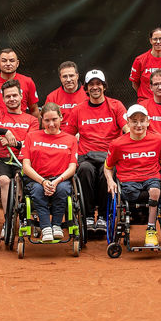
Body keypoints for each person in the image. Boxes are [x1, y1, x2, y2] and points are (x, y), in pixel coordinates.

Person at [64, 70, 128, 232]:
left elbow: (127, 129)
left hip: (110, 157)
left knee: (106, 172)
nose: (95, 87)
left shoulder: (116, 105)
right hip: (86, 156)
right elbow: (68, 137)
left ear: (104, 86)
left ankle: (103, 217)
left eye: (98, 84)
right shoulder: (78, 110)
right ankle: (87, 216)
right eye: (91, 84)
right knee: (85, 169)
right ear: (86, 88)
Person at [105, 104, 161, 248]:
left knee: (155, 191)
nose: (139, 125)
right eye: (134, 121)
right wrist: (110, 181)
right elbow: (108, 167)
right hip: (128, 181)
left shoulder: (158, 140)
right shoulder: (117, 144)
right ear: (128, 122)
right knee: (131, 194)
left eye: (142, 121)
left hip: (151, 177)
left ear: (148, 122)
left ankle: (151, 229)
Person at [0, 79, 39, 220]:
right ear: (3, 99)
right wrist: (5, 131)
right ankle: (9, 221)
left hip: (22, 160)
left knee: (19, 179)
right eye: (8, 96)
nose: (11, 99)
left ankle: (21, 216)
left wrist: (15, 144)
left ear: (21, 96)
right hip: (0, 160)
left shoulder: (32, 120)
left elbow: (32, 144)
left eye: (14, 95)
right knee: (4, 180)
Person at [21, 103, 78, 242]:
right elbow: (26, 166)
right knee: (38, 190)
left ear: (61, 118)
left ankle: (57, 225)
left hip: (60, 179)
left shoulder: (71, 139)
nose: (51, 124)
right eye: (47, 120)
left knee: (63, 189)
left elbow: (72, 167)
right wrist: (43, 181)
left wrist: (57, 181)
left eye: (54, 119)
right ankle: (46, 227)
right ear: (41, 120)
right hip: (36, 180)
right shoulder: (31, 136)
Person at [0, 48, 39, 146]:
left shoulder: (28, 82)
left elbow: (34, 110)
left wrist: (36, 136)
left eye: (12, 60)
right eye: (4, 61)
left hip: (21, 131)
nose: (8, 64)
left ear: (17, 63)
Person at [45, 61, 87, 132]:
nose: (68, 80)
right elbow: (48, 123)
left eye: (71, 76)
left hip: (83, 134)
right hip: (60, 135)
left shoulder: (88, 94)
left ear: (77, 76)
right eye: (64, 76)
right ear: (60, 78)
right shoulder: (52, 97)